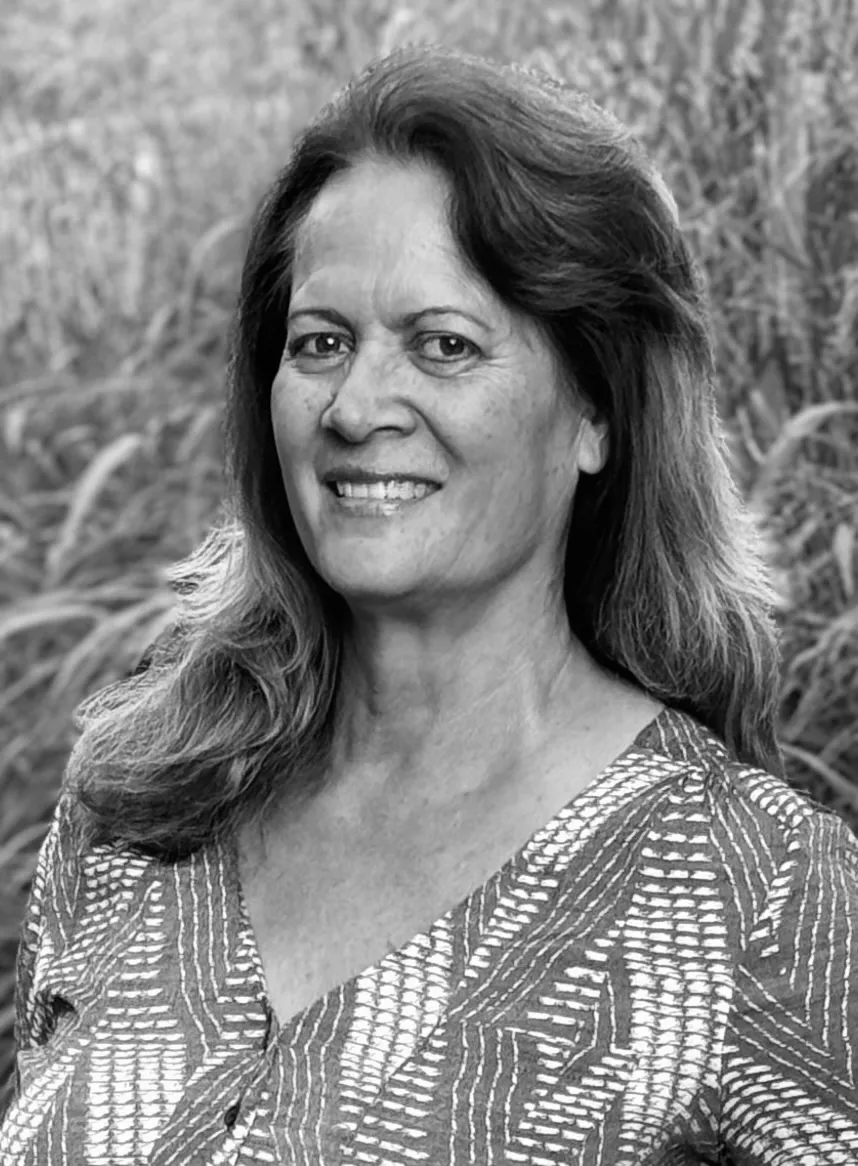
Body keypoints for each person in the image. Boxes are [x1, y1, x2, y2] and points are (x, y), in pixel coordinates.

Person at [2, 42, 857, 1166]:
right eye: (321, 342)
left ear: (598, 410)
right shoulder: (138, 804)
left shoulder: (762, 890)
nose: (357, 405)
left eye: (444, 345)